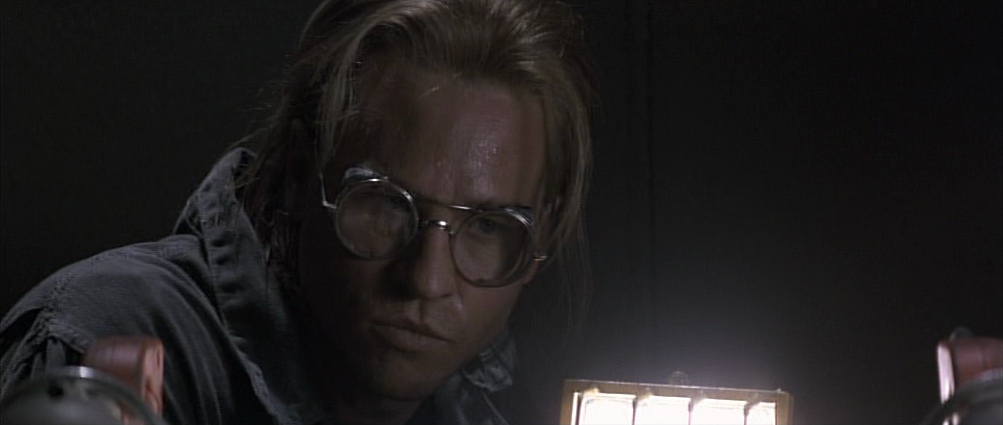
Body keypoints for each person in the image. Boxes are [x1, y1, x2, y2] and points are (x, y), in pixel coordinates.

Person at [0, 0, 596, 424]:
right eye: (384, 204)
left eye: (488, 226)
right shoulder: (104, 342)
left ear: (540, 237)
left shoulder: (492, 399)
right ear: (296, 175)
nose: (427, 279)